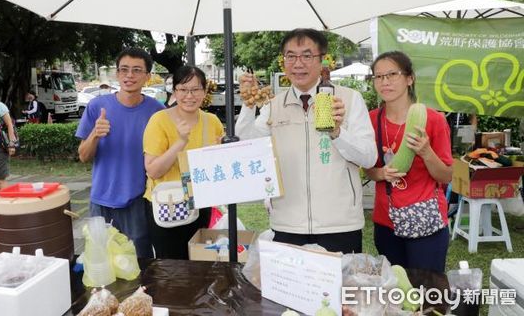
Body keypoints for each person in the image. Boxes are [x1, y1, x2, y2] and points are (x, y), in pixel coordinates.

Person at [235, 28, 377, 254]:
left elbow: (369, 157)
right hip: (287, 222)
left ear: (322, 60)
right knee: (290, 289)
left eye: (307, 55)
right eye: (290, 56)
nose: (298, 63)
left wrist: (338, 132)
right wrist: (248, 104)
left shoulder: (349, 99)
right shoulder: (274, 105)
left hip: (339, 223)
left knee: (339, 288)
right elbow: (245, 143)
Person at [365, 51, 452, 273]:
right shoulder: (370, 119)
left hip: (426, 222)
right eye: (378, 76)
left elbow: (447, 176)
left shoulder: (433, 120)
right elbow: (367, 169)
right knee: (397, 291)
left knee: (428, 295)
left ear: (410, 78)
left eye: (392, 74)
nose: (385, 82)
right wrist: (381, 174)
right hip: (386, 222)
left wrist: (426, 152)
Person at [76, 48, 164, 259]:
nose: (129, 75)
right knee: (102, 261)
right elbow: (83, 156)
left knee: (139, 262)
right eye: (124, 69)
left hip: (138, 201)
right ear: (117, 74)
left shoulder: (157, 111)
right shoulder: (97, 106)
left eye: (136, 70)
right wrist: (95, 135)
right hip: (101, 200)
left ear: (147, 76)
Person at [143, 66, 224, 259]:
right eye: (183, 89)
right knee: (172, 268)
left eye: (196, 89)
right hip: (167, 204)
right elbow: (153, 170)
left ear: (204, 91)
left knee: (199, 261)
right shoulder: (159, 120)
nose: (190, 95)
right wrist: (180, 142)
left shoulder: (212, 121)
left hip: (199, 204)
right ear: (174, 91)